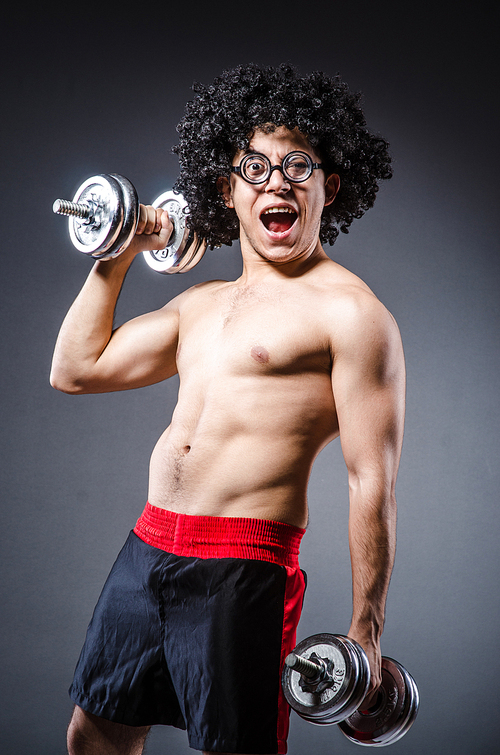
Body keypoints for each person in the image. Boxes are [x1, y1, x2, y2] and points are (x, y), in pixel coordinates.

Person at [50, 63, 405, 755]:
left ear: (329, 188)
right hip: (147, 546)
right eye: (256, 166)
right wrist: (121, 248)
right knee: (94, 734)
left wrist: (368, 624)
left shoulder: (354, 315)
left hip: (242, 567)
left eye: (298, 165)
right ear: (227, 189)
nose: (278, 181)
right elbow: (74, 369)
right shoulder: (199, 304)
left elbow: (373, 480)